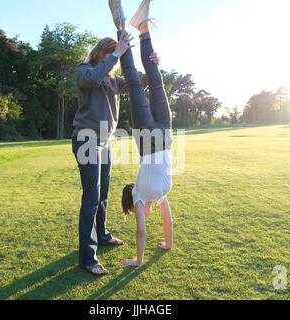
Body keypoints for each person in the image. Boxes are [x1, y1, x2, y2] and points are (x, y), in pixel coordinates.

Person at [72, 0, 160, 276]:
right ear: (102, 53)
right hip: (86, 138)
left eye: (118, 56)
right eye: (113, 55)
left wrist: (153, 65)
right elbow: (96, 74)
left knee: (103, 195)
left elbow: (136, 82)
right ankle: (88, 257)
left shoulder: (112, 79)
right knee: (91, 196)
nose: (117, 60)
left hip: (106, 141)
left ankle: (103, 234)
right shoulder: (85, 71)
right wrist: (117, 52)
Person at [111, 0, 175, 267]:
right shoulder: (160, 195)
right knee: (156, 77)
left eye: (139, 211)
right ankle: (143, 26)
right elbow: (166, 220)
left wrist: (138, 260)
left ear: (133, 202)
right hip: (166, 133)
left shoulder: (139, 195)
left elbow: (141, 231)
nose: (145, 213)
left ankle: (121, 26)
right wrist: (169, 243)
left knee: (134, 82)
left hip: (148, 140)